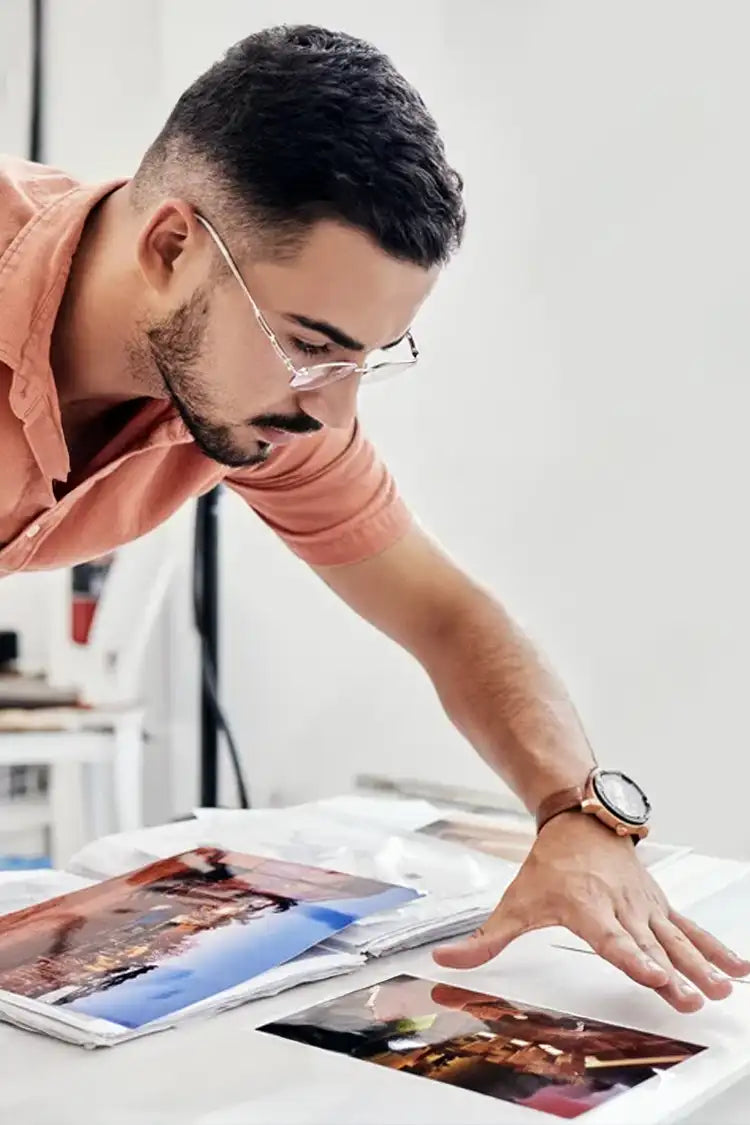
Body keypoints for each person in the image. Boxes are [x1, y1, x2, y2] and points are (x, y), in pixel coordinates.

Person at [0, 24, 745, 1013]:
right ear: (172, 246)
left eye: (366, 360)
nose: (333, 412)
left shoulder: (265, 402)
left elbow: (450, 619)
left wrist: (581, 818)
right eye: (311, 346)